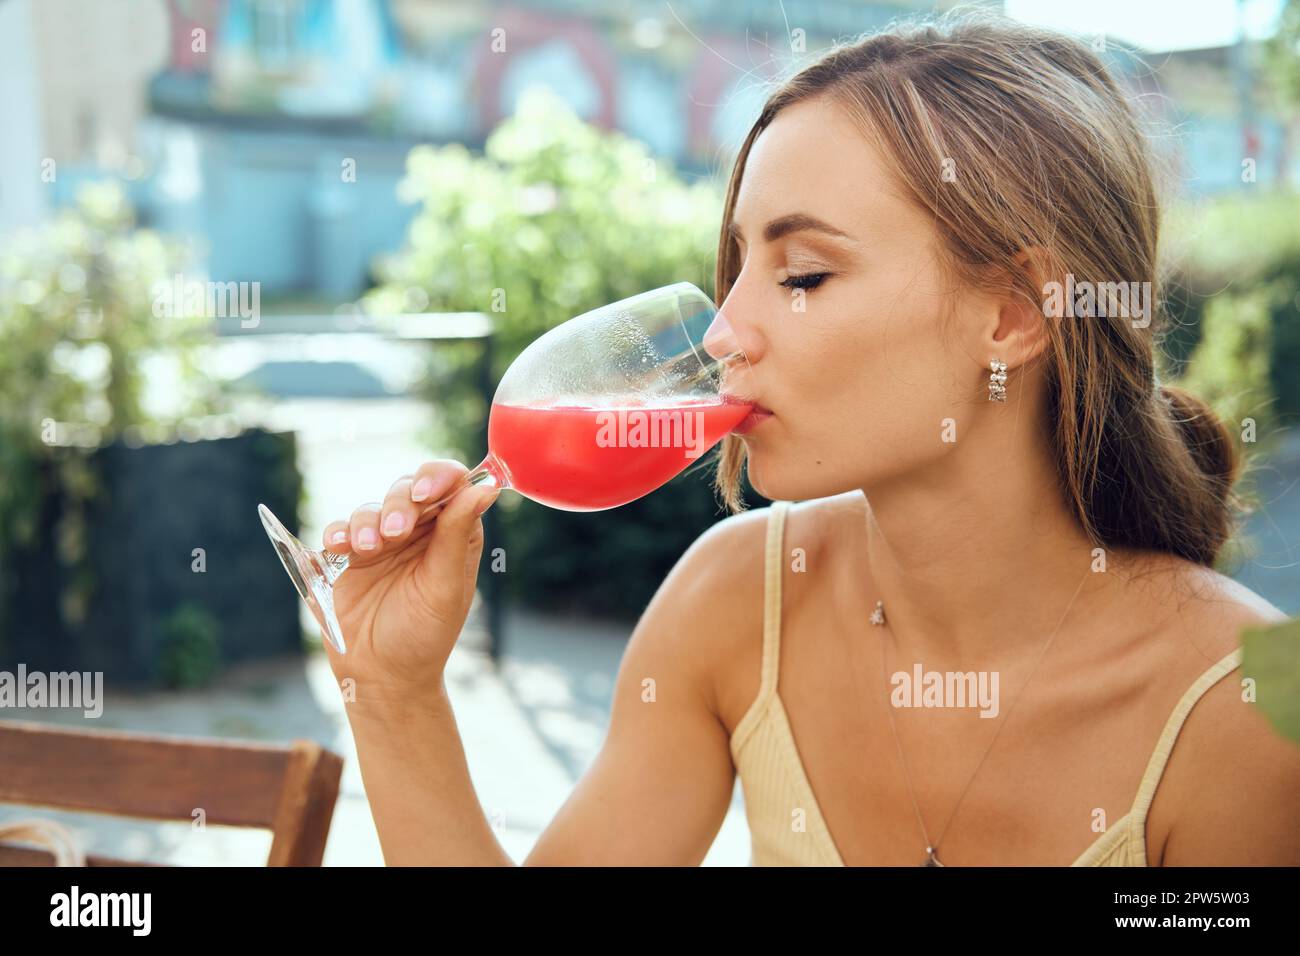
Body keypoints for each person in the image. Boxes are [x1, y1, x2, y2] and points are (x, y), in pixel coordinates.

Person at [313, 12, 1300, 865]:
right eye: (738, 263)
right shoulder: (735, 602)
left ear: (1011, 313)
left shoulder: (1250, 708)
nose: (720, 333)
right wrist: (393, 690)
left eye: (804, 274)